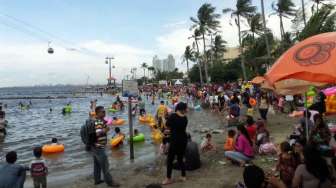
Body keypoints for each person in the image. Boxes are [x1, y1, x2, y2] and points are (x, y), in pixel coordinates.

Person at [91, 106, 120, 187]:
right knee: (105, 165)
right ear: (98, 113)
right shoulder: (98, 121)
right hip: (99, 147)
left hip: (94, 146)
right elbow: (98, 132)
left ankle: (97, 180)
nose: (104, 113)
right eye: (103, 112)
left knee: (97, 165)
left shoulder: (96, 120)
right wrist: (106, 130)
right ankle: (110, 182)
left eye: (104, 111)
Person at [162, 102, 188, 185]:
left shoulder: (173, 116)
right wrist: (171, 129)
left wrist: (164, 119)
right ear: (183, 109)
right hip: (183, 140)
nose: (186, 110)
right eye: (186, 108)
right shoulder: (185, 118)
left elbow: (167, 125)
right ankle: (183, 176)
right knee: (180, 159)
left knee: (170, 160)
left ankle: (168, 178)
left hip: (175, 140)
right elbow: (179, 128)